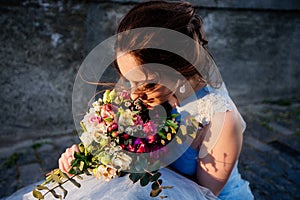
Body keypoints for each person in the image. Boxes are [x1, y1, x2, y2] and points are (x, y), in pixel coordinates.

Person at [7, 1, 254, 199]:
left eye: (145, 83)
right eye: (128, 80)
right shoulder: (149, 96)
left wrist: (126, 164)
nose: (134, 94)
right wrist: (92, 157)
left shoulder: (221, 121)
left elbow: (203, 194)